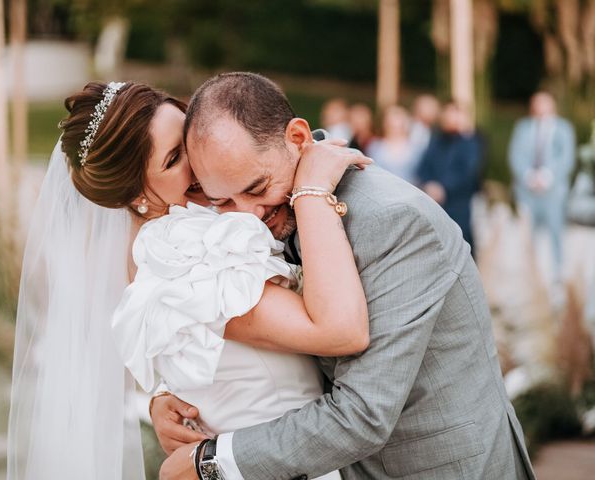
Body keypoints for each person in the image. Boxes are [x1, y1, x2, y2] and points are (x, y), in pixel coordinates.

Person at [156, 72, 535, 480]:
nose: (248, 216)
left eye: (257, 187)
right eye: (224, 201)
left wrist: (210, 462)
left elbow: (364, 414)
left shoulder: (393, 221)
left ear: (298, 138)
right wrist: (164, 398)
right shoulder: (264, 212)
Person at [6, 81, 370, 480]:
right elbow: (340, 330)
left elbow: (205, 356)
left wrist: (162, 396)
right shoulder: (183, 258)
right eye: (174, 158)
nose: (199, 159)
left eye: (188, 137)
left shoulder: (179, 236)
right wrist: (313, 190)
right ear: (136, 195)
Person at [508, 91, 576, 283]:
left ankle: (558, 272)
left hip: (553, 190)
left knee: (556, 230)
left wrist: (547, 177)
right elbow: (515, 155)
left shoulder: (564, 128)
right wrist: (528, 176)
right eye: (536, 103)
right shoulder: (523, 127)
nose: (540, 107)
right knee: (527, 233)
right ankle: (529, 272)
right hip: (526, 189)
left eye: (544, 102)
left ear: (552, 104)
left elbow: (567, 158)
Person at [417, 102, 482, 255]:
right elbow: (424, 166)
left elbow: (468, 172)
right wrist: (429, 185)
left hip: (459, 203)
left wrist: (443, 187)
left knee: (462, 245)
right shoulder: (436, 140)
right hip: (435, 202)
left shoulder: (471, 142)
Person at [367, 105, 421, 185]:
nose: (395, 127)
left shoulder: (416, 148)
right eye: (392, 124)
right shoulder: (375, 146)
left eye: (398, 123)